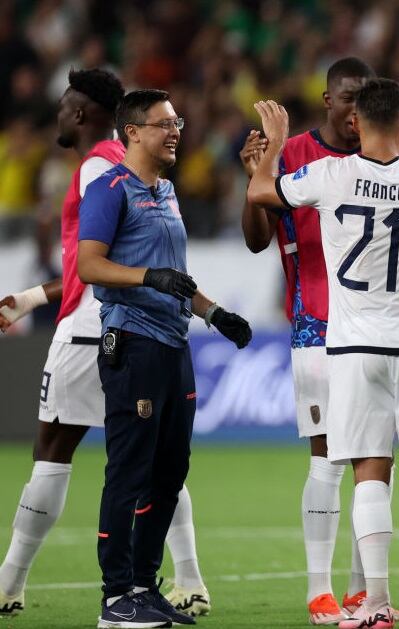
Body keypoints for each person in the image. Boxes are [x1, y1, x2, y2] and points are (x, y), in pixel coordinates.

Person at [239, 56, 399, 625]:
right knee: (345, 463)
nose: (349, 109)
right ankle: (330, 591)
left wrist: (263, 159)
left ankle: (367, 596)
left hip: (351, 337)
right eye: (343, 97)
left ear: (366, 114)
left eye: (358, 100)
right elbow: (254, 236)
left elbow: (264, 193)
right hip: (335, 328)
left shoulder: (323, 171)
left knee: (371, 464)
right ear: (328, 100)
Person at [0, 70, 208, 621]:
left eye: (67, 105)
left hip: (97, 329)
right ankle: (186, 577)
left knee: (54, 455)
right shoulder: (148, 175)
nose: (60, 116)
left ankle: (11, 582)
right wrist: (30, 297)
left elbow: (94, 266)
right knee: (156, 460)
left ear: (88, 112)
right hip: (145, 331)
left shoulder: (99, 166)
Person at [77, 88, 252, 629]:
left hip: (174, 344)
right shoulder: (111, 191)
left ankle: (143, 587)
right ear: (132, 131)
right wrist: (146, 278)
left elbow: (172, 271)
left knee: (170, 472)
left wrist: (213, 312)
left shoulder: (169, 191)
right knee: (129, 471)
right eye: (164, 124)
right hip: (132, 343)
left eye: (177, 122)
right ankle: (113, 598)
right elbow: (89, 265)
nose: (175, 131)